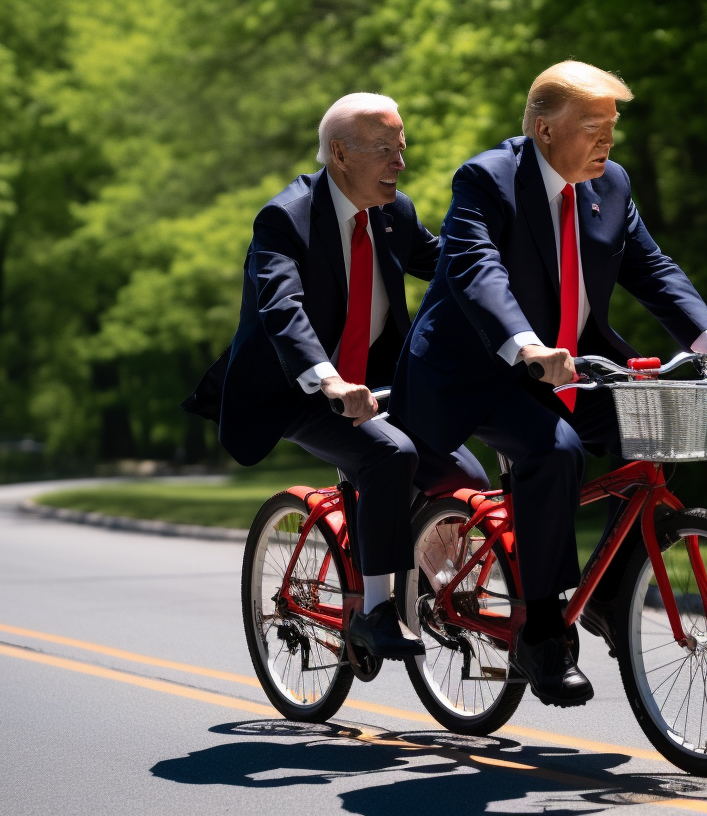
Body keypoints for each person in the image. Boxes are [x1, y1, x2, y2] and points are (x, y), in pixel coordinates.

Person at [389, 62, 707, 707]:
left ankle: (609, 593)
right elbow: (477, 271)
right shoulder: (487, 179)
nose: (606, 142)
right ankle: (543, 630)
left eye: (611, 127)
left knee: (664, 427)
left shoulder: (609, 184)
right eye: (592, 127)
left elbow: (653, 268)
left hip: (572, 361)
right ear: (543, 129)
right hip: (478, 367)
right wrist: (526, 345)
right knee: (553, 451)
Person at [183, 93, 488, 660]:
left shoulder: (394, 214)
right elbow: (282, 308)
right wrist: (327, 380)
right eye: (386, 151)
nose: (401, 162)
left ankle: (418, 582)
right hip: (300, 388)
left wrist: (507, 270)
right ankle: (375, 610)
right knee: (390, 456)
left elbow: (449, 263)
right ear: (340, 155)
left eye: (403, 149)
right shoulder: (285, 218)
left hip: (376, 384)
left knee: (467, 477)